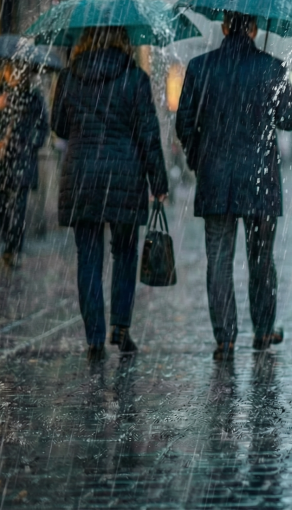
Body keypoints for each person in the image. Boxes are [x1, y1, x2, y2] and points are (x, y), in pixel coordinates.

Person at [176, 11, 292, 361]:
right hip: (260, 180)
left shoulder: (200, 67)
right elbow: (289, 119)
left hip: (215, 178)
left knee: (218, 260)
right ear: (255, 29)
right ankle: (263, 330)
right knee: (261, 260)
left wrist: (198, 159)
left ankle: (225, 337)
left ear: (224, 26)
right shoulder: (272, 68)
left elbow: (184, 123)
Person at [52, 26, 168, 360]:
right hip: (124, 174)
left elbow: (59, 127)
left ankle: (94, 337)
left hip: (82, 175)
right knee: (125, 253)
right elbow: (148, 133)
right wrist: (158, 182)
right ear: (123, 39)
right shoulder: (135, 78)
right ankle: (121, 327)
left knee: (88, 257)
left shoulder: (69, 77)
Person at [0, 60, 49, 268]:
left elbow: (43, 128)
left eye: (17, 71)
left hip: (22, 161)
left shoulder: (34, 97)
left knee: (18, 207)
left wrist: (29, 142)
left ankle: (13, 248)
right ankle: (10, 241)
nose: (13, 75)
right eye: (9, 71)